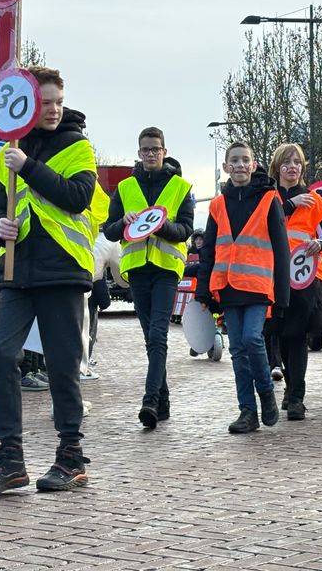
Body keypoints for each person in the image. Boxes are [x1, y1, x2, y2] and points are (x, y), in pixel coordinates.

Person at [0, 65, 109, 494]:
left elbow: (77, 197)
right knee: (0, 357)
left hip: (63, 272)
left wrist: (28, 166)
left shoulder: (78, 146)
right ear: (27, 105)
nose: (52, 110)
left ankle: (71, 456)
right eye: (44, 102)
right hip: (15, 273)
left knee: (63, 368)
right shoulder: (10, 147)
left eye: (57, 102)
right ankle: (10, 458)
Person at [102, 127, 194, 428]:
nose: (151, 154)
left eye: (156, 149)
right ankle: (163, 401)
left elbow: (185, 230)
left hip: (166, 269)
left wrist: (162, 226)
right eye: (146, 149)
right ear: (139, 153)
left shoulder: (181, 187)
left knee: (157, 335)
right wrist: (124, 222)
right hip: (138, 270)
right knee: (150, 339)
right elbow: (109, 229)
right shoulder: (125, 188)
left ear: (164, 151)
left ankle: (150, 400)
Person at [196, 140, 289, 434]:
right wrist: (202, 290)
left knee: (252, 339)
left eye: (244, 160)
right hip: (228, 286)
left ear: (253, 164)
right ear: (226, 167)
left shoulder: (269, 199)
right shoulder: (217, 204)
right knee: (237, 349)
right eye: (233, 160)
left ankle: (266, 394)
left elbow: (281, 249)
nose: (238, 165)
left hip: (259, 285)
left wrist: (283, 294)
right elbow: (208, 249)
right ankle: (247, 411)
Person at [270, 142, 322, 420]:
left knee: (297, 336)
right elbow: (259, 225)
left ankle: (296, 396)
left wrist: (320, 243)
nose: (292, 167)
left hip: (306, 278)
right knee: (280, 334)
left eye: (297, 162)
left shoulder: (316, 200)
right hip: (272, 277)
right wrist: (288, 204)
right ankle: (290, 389)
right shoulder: (268, 197)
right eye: (287, 162)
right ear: (277, 167)